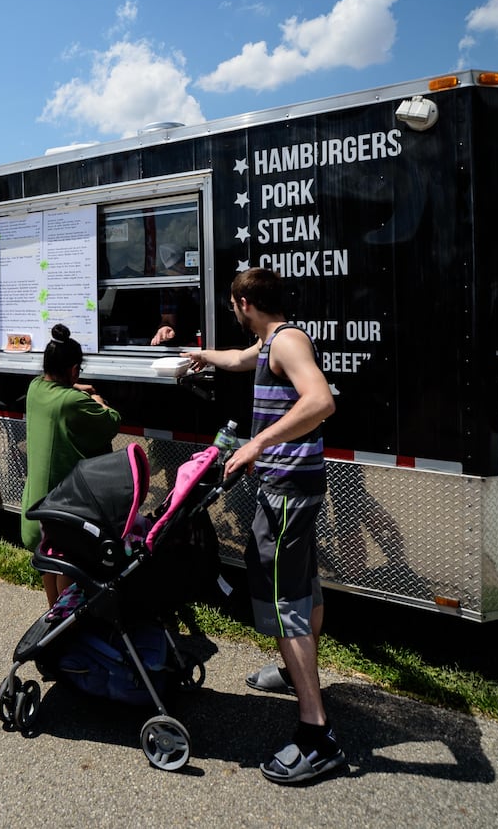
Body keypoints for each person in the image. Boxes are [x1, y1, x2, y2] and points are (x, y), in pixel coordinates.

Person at [187, 267, 345, 786]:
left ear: (246, 302)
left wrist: (258, 443)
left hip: (287, 494)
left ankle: (315, 734)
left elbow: (320, 402)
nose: (233, 311)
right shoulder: (270, 341)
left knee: (284, 602)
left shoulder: (287, 342)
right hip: (294, 490)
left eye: (234, 304)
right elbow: (235, 360)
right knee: (304, 586)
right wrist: (201, 356)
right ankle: (296, 674)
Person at [20, 323, 122, 608]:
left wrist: (74, 387)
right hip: (64, 509)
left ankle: (54, 615)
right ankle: (67, 620)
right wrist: (99, 401)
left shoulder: (35, 388)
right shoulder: (74, 402)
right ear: (74, 368)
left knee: (50, 561)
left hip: (37, 508)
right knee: (68, 561)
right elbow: (111, 423)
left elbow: (54, 388)